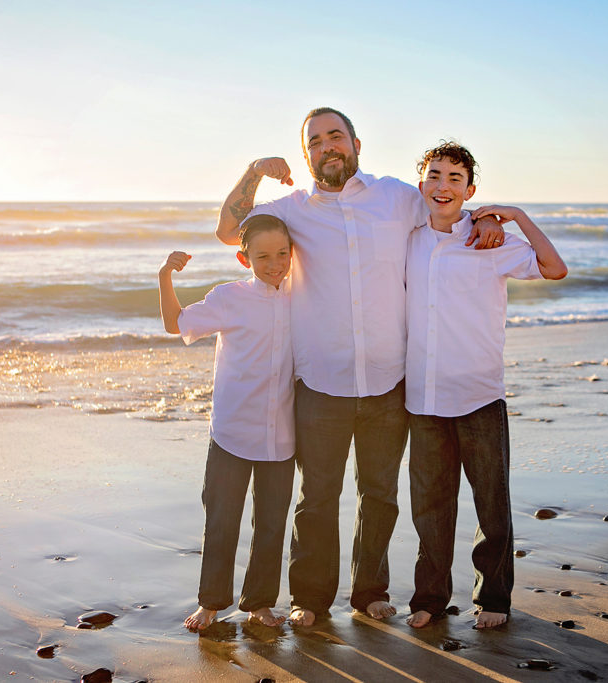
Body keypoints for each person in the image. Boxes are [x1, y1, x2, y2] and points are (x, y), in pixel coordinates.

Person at [214, 107, 504, 627]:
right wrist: (256, 170)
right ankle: (310, 598)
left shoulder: (396, 197)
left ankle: (370, 591)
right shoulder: (292, 210)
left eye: (336, 136)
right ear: (306, 156)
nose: (328, 147)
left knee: (380, 495)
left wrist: (485, 218)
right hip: (320, 383)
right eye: (316, 142)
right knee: (318, 497)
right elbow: (227, 230)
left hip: (389, 383)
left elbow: (448, 208)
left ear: (355, 144)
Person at [403, 141, 567, 630]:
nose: (444, 185)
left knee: (491, 505)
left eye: (455, 179)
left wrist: (513, 216)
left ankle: (493, 599)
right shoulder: (407, 239)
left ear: (470, 191)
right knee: (430, 508)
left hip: (478, 394)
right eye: (435, 176)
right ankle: (428, 600)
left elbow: (555, 269)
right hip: (423, 397)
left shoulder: (490, 242)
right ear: (422, 185)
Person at [158, 214, 296, 631]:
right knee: (221, 521)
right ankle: (211, 603)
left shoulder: (303, 297)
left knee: (271, 525)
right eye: (263, 257)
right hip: (233, 432)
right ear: (244, 258)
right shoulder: (228, 298)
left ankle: (259, 602)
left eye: (283, 254)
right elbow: (174, 323)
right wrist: (165, 274)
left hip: (283, 437)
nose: (275, 264)